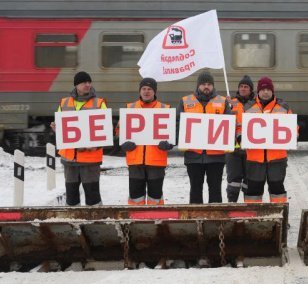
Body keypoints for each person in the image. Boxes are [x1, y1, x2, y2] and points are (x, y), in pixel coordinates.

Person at [51, 71, 108, 206]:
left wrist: (97, 146)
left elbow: (105, 131)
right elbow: (61, 127)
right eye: (84, 82)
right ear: (77, 85)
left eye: (89, 82)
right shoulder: (64, 103)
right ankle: (74, 223)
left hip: (90, 159)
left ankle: (96, 223)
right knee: (71, 198)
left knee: (93, 196)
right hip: (69, 160)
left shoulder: (99, 103)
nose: (87, 85)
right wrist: (56, 129)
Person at [177, 71, 232, 204]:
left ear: (213, 86)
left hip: (216, 157)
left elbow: (231, 124)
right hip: (193, 156)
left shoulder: (223, 101)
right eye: (203, 84)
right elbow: (177, 123)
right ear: (198, 86)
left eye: (209, 84)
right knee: (195, 189)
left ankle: (215, 220)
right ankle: (196, 219)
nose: (206, 87)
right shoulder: (185, 101)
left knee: (215, 190)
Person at [119, 77, 173, 205]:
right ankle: (136, 222)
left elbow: (172, 136)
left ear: (154, 92)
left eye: (149, 89)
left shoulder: (165, 109)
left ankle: (156, 222)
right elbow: (119, 133)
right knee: (136, 197)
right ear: (139, 91)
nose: (146, 91)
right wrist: (123, 144)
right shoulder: (129, 108)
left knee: (155, 197)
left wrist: (169, 144)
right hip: (135, 161)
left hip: (156, 161)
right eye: (143, 89)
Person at [243, 76, 294, 204]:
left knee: (277, 191)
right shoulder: (248, 107)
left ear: (272, 91)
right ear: (258, 91)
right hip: (254, 158)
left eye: (268, 89)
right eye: (263, 89)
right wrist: (240, 136)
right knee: (253, 192)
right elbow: (239, 126)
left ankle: (280, 219)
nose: (265, 92)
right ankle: (252, 220)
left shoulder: (283, 107)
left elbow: (294, 127)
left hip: (277, 158)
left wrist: (295, 134)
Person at [226, 75, 254, 203]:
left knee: (250, 181)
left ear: (251, 90)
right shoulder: (231, 102)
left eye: (246, 87)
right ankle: (232, 206)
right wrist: (226, 106)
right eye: (241, 86)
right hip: (234, 149)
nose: (243, 89)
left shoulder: (256, 104)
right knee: (233, 182)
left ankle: (248, 208)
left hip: (250, 149)